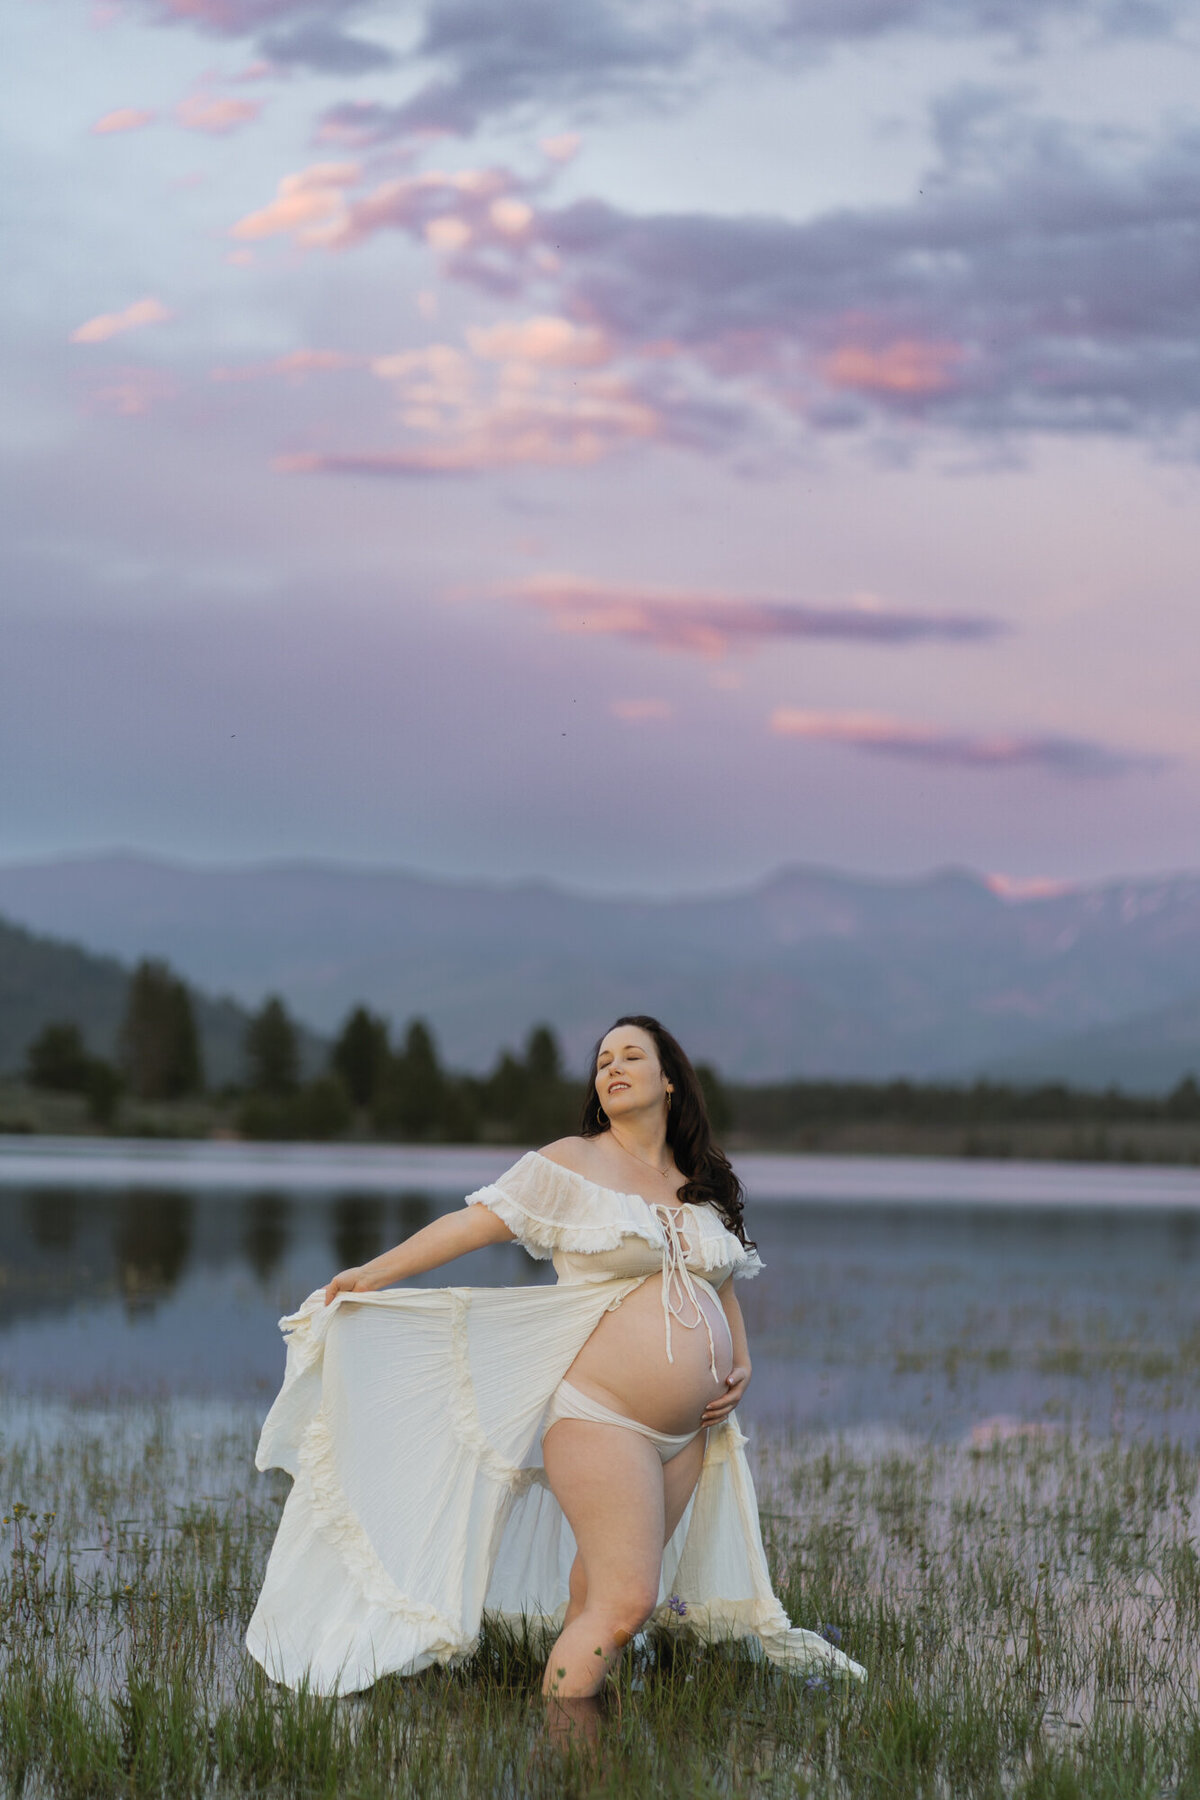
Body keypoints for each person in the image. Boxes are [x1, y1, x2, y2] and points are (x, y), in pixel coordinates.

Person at [245, 1014, 866, 1701]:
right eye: (603, 1061)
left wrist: (739, 1361)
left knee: (595, 1592)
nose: (613, 1067)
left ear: (669, 1081)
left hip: (690, 1432)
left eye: (631, 1056)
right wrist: (372, 1273)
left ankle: (565, 1720)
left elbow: (720, 1281)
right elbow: (474, 1223)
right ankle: (567, 1735)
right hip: (602, 1419)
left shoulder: (701, 1181)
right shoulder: (573, 1162)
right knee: (628, 1602)